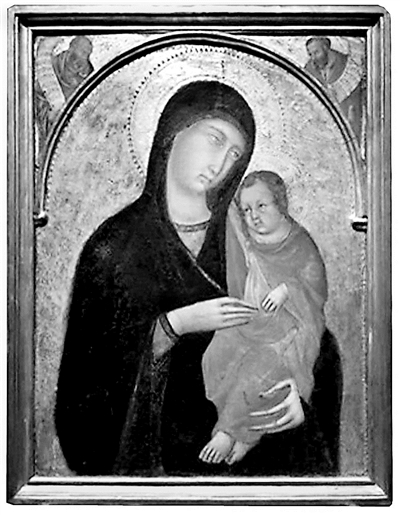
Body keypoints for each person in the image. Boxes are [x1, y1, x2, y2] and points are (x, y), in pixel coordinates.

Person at [55, 80, 340, 477]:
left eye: (235, 153)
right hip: (162, 464)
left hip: (258, 450)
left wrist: (301, 393)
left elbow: (308, 326)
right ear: (174, 130)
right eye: (214, 139)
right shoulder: (113, 248)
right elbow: (85, 389)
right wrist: (173, 325)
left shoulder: (247, 235)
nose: (222, 163)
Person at [199, 171, 328, 467]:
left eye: (261, 206)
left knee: (260, 366)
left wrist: (287, 290)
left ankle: (230, 433)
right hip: (258, 321)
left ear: (280, 204)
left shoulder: (299, 243)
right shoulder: (246, 238)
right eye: (247, 209)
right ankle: (244, 431)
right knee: (217, 353)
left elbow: (316, 288)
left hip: (294, 326)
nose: (253, 216)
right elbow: (228, 212)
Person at [304, 36, 364, 144]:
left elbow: (356, 104)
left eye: (316, 52)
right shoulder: (309, 69)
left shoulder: (345, 64)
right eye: (310, 54)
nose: (313, 58)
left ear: (326, 48)